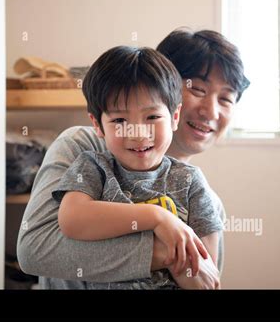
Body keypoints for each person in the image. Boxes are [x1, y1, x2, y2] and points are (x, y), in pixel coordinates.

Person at [17, 27, 250, 289]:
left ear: (172, 113)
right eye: (196, 89)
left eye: (226, 98)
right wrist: (164, 238)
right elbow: (35, 250)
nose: (211, 111)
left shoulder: (203, 196)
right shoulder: (84, 150)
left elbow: (205, 279)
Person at [51, 45, 224, 289]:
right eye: (120, 120)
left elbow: (205, 277)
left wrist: (184, 264)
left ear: (175, 117)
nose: (139, 134)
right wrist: (157, 218)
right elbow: (72, 219)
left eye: (152, 117)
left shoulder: (191, 182)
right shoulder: (93, 167)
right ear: (98, 125)